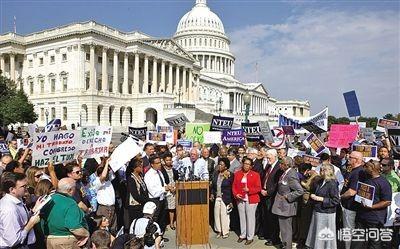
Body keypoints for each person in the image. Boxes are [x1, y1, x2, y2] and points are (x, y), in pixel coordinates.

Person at [351, 160, 392, 249]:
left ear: (372, 169)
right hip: (361, 217)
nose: (365, 168)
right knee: (356, 243)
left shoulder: (384, 183)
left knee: (374, 244)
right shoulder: (366, 179)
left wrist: (372, 206)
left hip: (375, 220)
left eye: (367, 166)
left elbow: (387, 201)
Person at [41, 177, 89, 249]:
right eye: (74, 188)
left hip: (49, 240)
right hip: (66, 241)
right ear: (70, 190)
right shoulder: (70, 203)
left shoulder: (48, 199)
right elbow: (74, 227)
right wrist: (86, 234)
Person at [0, 172, 41, 248]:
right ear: (12, 189)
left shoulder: (17, 200)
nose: (26, 189)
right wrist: (30, 224)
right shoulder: (9, 209)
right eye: (23, 186)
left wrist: (33, 211)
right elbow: (13, 241)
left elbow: (21, 221)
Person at [271, 156, 304, 249]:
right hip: (282, 206)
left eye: (281, 164)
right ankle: (286, 245)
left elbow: (299, 190)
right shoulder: (286, 173)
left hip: (286, 206)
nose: (280, 165)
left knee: (286, 229)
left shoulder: (291, 174)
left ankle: (287, 246)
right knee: (284, 229)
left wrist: (288, 196)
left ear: (286, 165)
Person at [306, 164, 340, 249]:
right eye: (321, 170)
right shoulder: (321, 181)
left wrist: (321, 199)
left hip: (326, 213)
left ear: (328, 171)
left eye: (323, 170)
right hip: (318, 211)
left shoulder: (332, 183)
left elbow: (336, 200)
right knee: (317, 232)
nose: (320, 172)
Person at [232, 157, 261, 245]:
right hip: (240, 199)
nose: (246, 165)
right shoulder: (237, 174)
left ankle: (250, 236)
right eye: (245, 163)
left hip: (251, 199)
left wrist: (249, 190)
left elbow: (258, 187)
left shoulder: (256, 175)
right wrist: (236, 194)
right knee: (242, 217)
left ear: (251, 166)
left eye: (248, 164)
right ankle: (243, 234)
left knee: (250, 218)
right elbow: (234, 186)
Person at [340, 151, 365, 249]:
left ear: (357, 160)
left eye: (350, 157)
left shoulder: (358, 172)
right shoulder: (352, 170)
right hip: (348, 206)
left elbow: (352, 191)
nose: (348, 158)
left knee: (348, 230)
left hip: (351, 207)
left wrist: (340, 196)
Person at [144, 155, 171, 236]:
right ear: (152, 164)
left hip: (162, 199)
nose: (160, 164)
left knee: (162, 220)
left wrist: (168, 188)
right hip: (155, 200)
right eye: (157, 163)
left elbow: (162, 183)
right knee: (155, 221)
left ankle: (160, 236)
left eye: (160, 162)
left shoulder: (159, 172)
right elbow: (153, 191)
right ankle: (154, 238)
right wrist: (164, 189)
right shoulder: (149, 175)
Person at [261, 149, 283, 246]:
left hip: (272, 196)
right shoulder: (269, 166)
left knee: (273, 219)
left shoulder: (278, 167)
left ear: (274, 156)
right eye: (266, 156)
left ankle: (274, 239)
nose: (267, 158)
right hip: (265, 194)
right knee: (267, 217)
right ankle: (269, 235)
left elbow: (276, 184)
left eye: (268, 156)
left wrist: (268, 192)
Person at [92, 159, 117, 234]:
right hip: (104, 209)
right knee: (104, 230)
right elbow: (103, 175)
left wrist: (105, 161)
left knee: (113, 228)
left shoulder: (108, 181)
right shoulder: (97, 182)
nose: (108, 174)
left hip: (112, 208)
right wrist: (106, 163)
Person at [211, 157, 233, 239]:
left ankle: (225, 231)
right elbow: (213, 186)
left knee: (224, 215)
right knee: (216, 214)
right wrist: (212, 194)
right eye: (219, 164)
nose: (219, 166)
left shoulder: (230, 174)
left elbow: (231, 188)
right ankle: (219, 230)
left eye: (221, 165)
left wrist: (230, 201)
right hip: (217, 197)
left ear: (226, 167)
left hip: (226, 197)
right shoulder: (216, 173)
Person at [126, 156, 148, 227]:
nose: (141, 167)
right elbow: (135, 194)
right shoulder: (131, 179)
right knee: (134, 223)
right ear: (134, 168)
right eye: (139, 166)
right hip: (135, 205)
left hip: (141, 204)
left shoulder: (140, 176)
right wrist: (145, 200)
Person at [160, 152, 178, 230]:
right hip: (166, 190)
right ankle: (164, 223)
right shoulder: (161, 170)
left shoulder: (174, 170)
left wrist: (175, 187)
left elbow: (177, 179)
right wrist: (168, 187)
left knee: (172, 208)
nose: (169, 162)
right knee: (165, 208)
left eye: (170, 160)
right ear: (164, 161)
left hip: (173, 190)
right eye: (167, 160)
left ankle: (171, 223)